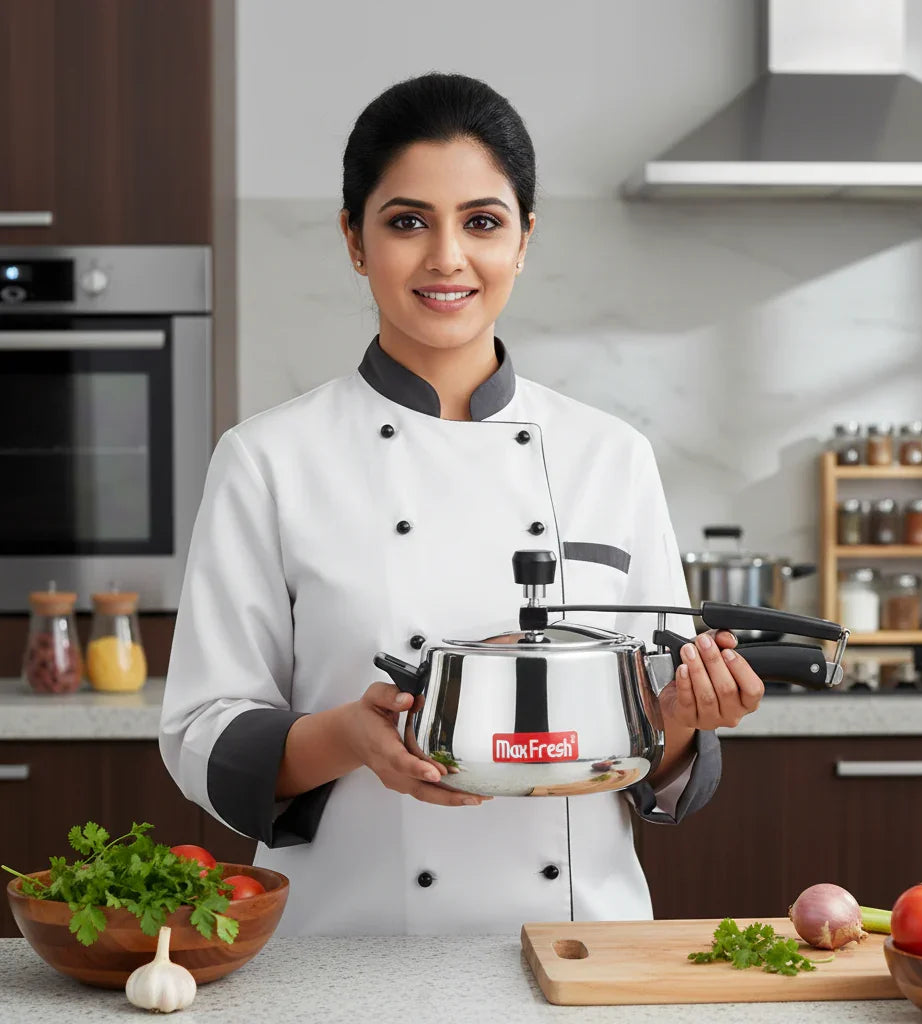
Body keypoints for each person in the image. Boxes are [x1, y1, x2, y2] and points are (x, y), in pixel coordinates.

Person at [159, 72, 765, 937]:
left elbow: (649, 752)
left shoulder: (611, 456)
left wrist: (681, 719)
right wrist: (349, 737)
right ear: (354, 239)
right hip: (352, 951)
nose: (447, 258)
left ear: (523, 240)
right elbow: (202, 732)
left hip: (579, 947)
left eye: (482, 222)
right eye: (408, 222)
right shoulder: (268, 459)